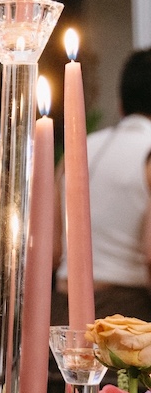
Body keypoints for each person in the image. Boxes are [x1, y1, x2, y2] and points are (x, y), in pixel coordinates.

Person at [56, 49, 151, 322]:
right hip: (127, 312)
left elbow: (51, 250)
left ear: (121, 104)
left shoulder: (79, 148)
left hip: (63, 309)